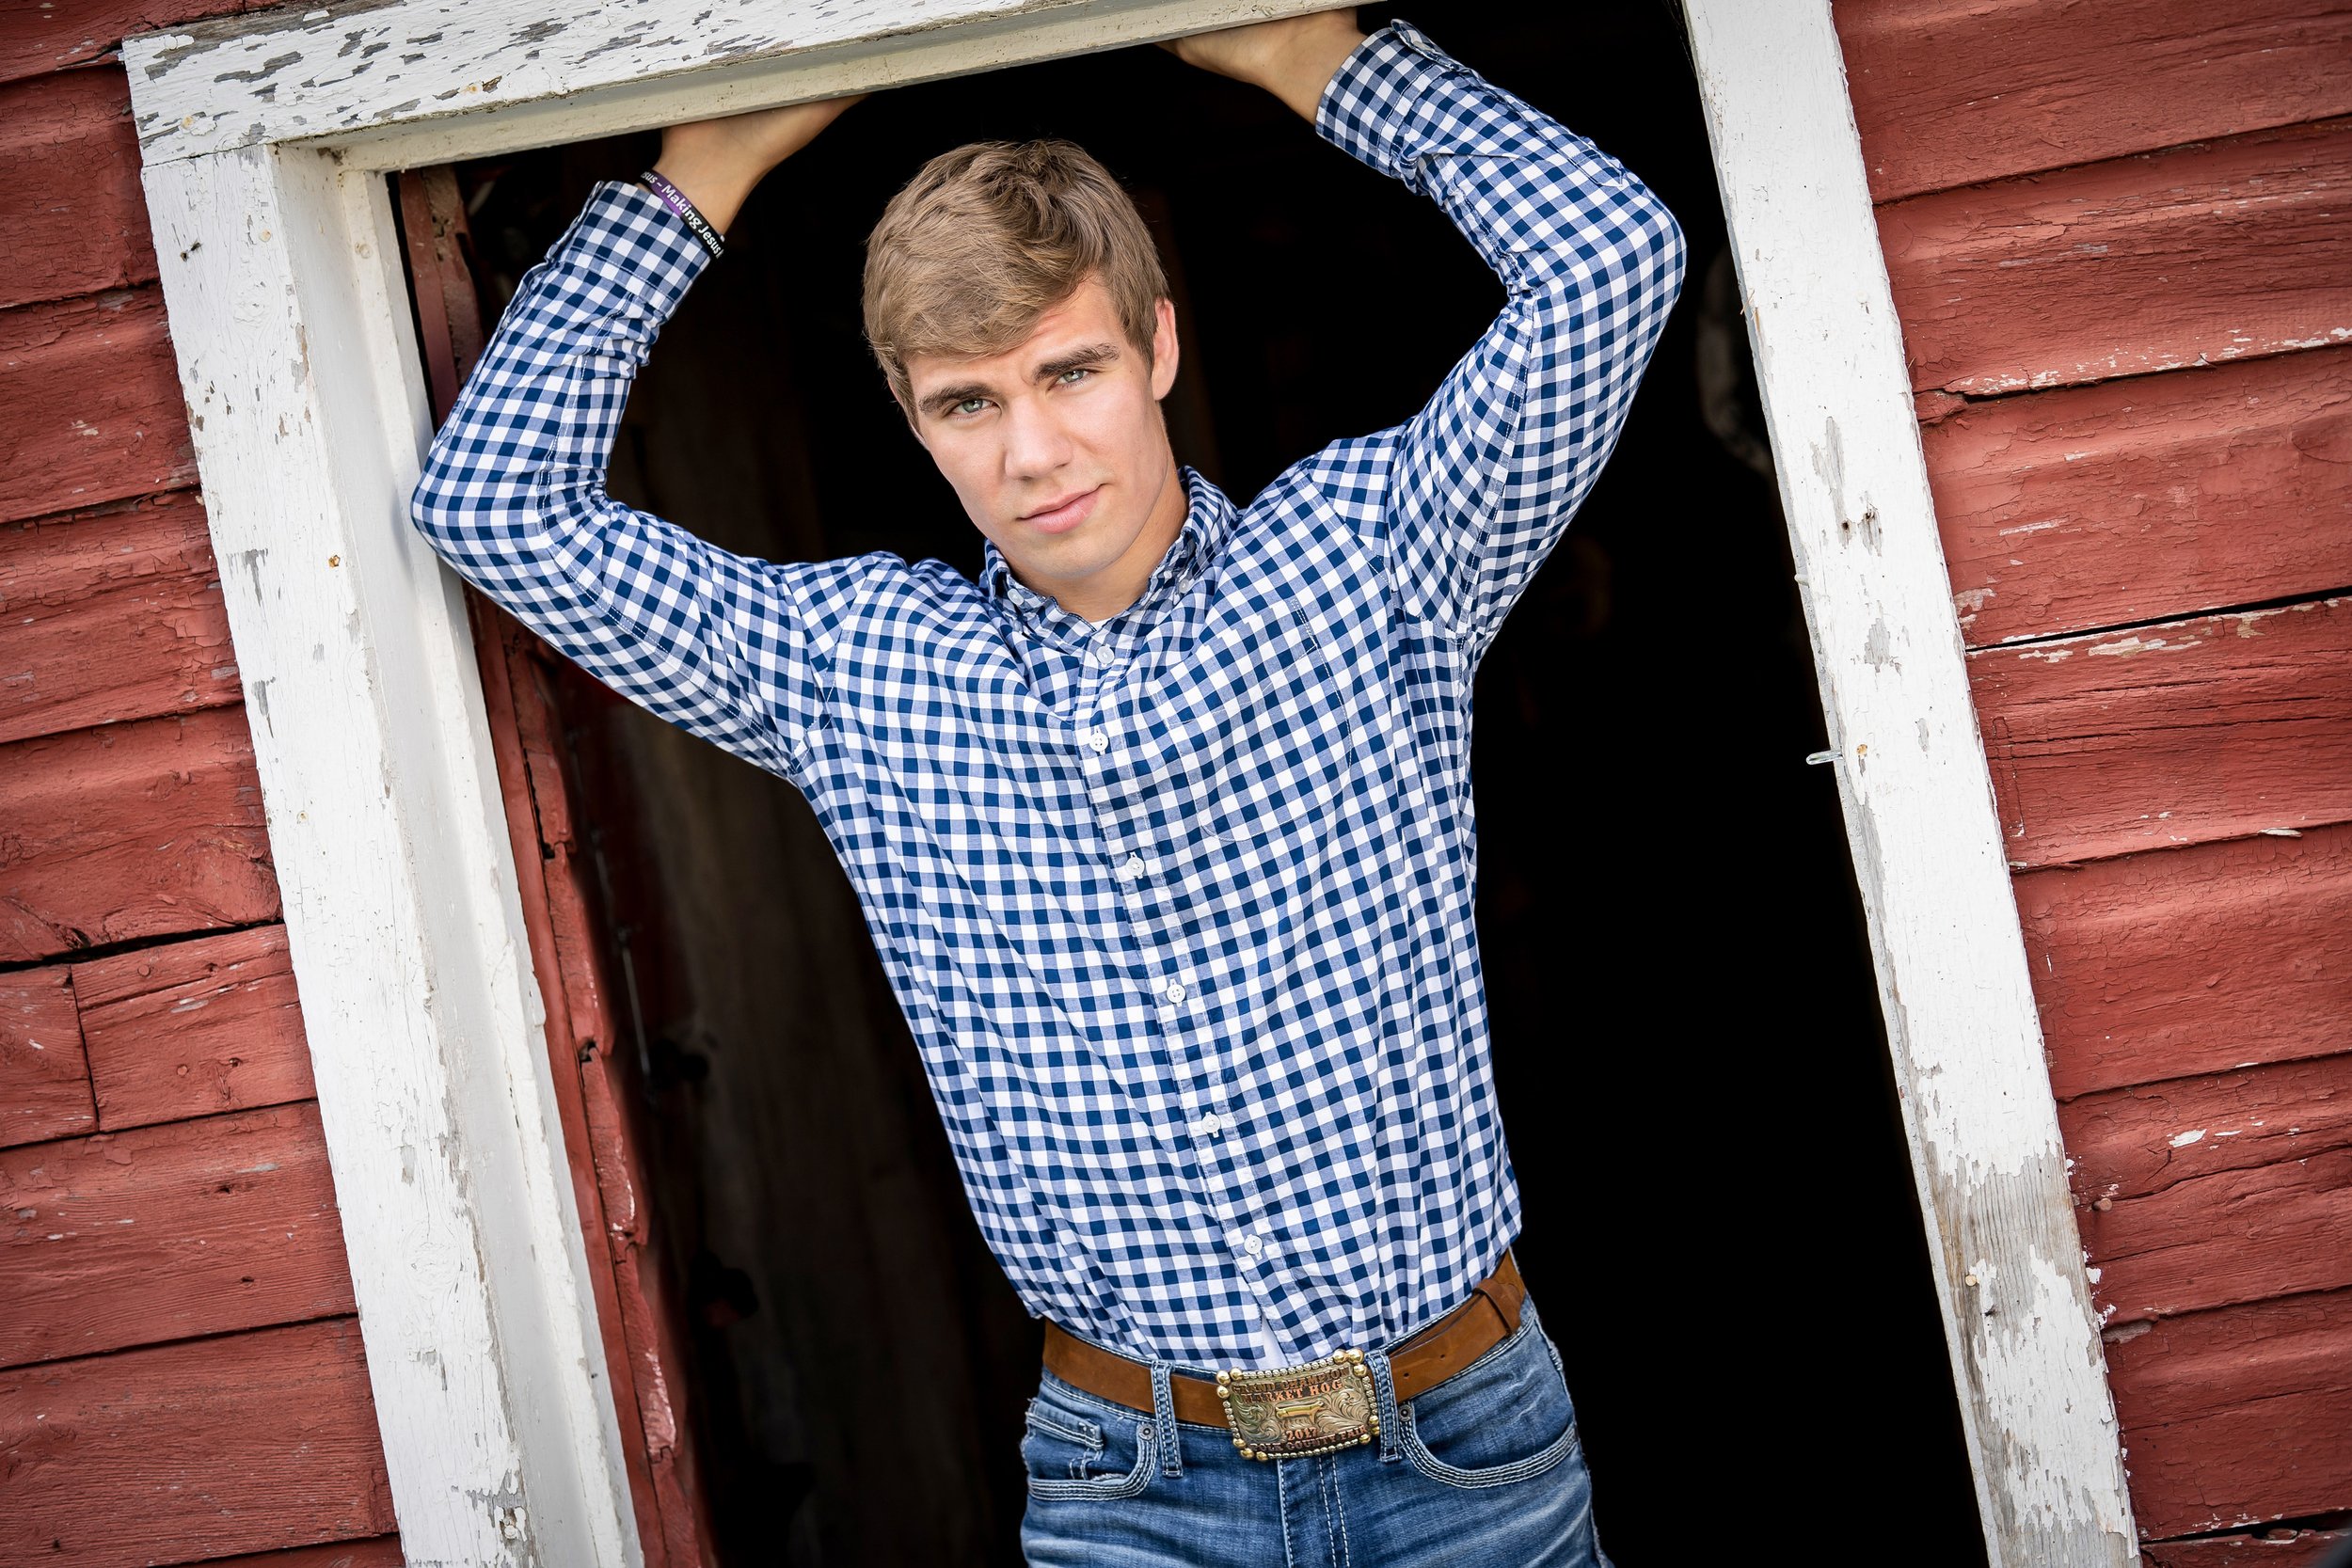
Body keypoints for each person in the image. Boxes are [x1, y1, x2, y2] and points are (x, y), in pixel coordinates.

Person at [410, 8, 1685, 1562]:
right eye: (970, 401)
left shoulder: (1375, 559)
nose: (1033, 448)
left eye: (1069, 369)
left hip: (1464, 1445)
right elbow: (492, 502)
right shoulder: (854, 664)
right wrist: (700, 177)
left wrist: (1315, 60)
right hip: (1138, 1490)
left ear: (1156, 345)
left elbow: (1610, 260)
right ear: (914, 418)